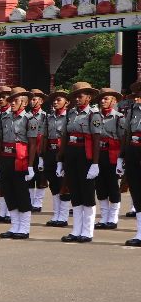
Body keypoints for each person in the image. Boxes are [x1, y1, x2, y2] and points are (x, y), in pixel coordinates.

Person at [61, 81, 100, 243]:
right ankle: (76, 229)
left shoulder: (93, 114)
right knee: (75, 191)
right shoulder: (70, 113)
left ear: (89, 97)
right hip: (72, 154)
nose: (77, 99)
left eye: (80, 96)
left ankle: (87, 231)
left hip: (86, 155)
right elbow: (64, 136)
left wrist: (95, 163)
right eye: (75, 96)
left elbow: (96, 139)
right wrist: (61, 160)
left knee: (87, 193)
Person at [0, 88, 34, 240]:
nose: (11, 103)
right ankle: (14, 225)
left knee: (21, 193)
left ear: (24, 103)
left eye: (15, 100)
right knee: (9, 192)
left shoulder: (29, 119)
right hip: (6, 158)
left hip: (21, 160)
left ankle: (24, 228)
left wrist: (31, 166)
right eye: (11, 100)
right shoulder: (4, 118)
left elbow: (32, 144)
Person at [92, 87, 125, 230]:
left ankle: (113, 217)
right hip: (98, 154)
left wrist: (121, 159)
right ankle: (104, 217)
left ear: (114, 101)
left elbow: (123, 140)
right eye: (101, 98)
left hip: (112, 155)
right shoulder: (95, 116)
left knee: (112, 186)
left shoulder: (119, 117)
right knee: (100, 186)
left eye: (106, 98)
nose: (103, 101)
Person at [42, 89, 72, 228]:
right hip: (51, 152)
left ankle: (64, 216)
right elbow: (45, 137)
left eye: (58, 100)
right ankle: (56, 214)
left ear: (67, 102)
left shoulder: (69, 117)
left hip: (64, 152)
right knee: (53, 183)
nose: (55, 102)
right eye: (54, 100)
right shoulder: (49, 117)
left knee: (64, 184)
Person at [123, 81, 141, 246]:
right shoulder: (132, 110)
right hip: (134, 150)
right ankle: (140, 232)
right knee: (136, 189)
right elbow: (127, 133)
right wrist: (124, 155)